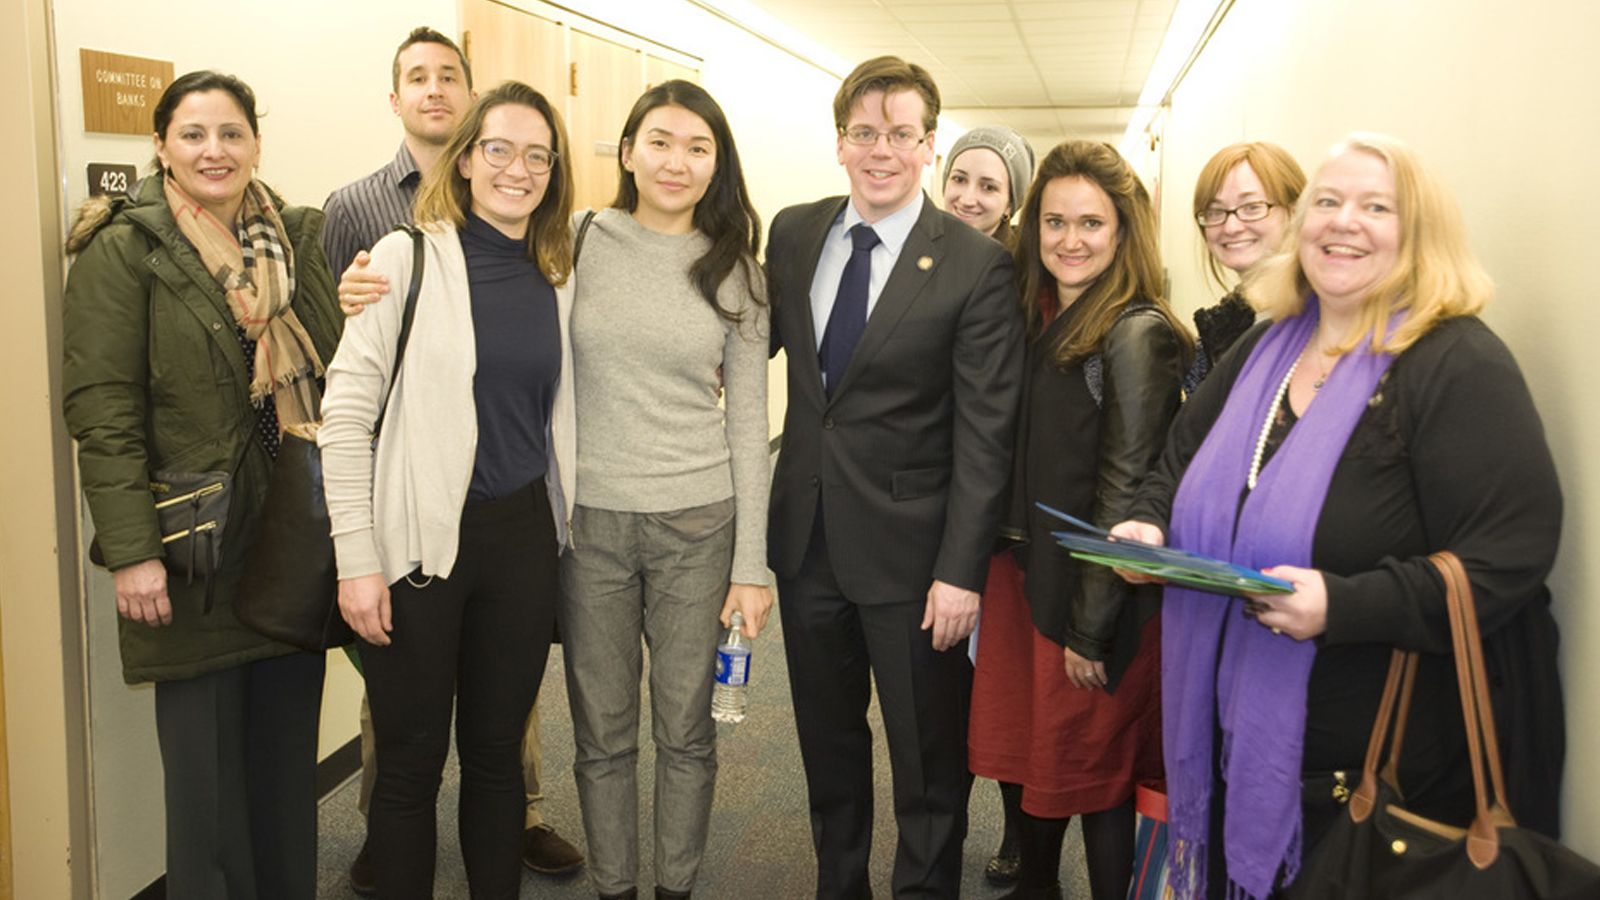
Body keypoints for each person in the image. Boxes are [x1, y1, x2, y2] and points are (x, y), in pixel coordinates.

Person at [1112, 133, 1565, 900]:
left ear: (1419, 233)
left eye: (1375, 207)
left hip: (1382, 771)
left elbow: (1510, 556)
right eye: (1328, 201)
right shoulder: (1267, 347)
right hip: (1239, 736)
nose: (1342, 222)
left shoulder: (1454, 363)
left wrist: (1342, 605)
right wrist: (1148, 526)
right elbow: (1177, 463)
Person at [62, 70, 341, 899]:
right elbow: (103, 411)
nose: (213, 151)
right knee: (207, 792)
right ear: (161, 146)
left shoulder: (297, 235)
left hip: (291, 540)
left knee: (285, 779)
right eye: (192, 134)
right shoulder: (123, 250)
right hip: (193, 551)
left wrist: (357, 303)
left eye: (230, 133)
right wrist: (132, 551)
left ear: (256, 142)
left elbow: (338, 377)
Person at [320, 27, 582, 892]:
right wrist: (357, 563)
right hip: (417, 548)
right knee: (409, 764)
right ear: (466, 159)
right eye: (499, 149)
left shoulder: (560, 270)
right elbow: (345, 420)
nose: (519, 169)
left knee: (499, 761)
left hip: (517, 542)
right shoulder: (404, 258)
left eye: (538, 156)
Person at [765, 55, 1025, 898]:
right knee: (829, 751)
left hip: (914, 565)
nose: (882, 150)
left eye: (901, 134)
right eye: (865, 132)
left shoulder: (973, 265)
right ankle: (839, 885)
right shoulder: (795, 232)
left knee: (926, 764)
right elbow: (729, 326)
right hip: (807, 547)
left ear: (929, 145)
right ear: (841, 141)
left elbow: (986, 436)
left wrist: (960, 572)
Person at [559, 79, 770, 900]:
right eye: (660, 141)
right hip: (591, 524)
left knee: (687, 730)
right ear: (627, 151)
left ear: (717, 165)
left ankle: (674, 889)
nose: (676, 161)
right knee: (601, 730)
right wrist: (376, 277)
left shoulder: (736, 272)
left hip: (698, 524)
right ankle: (616, 887)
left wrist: (750, 566)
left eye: (697, 147)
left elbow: (749, 426)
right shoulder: (574, 240)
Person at [968, 140, 1189, 900]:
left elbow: (1127, 491)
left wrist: (1092, 628)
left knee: (1096, 776)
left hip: (1091, 598)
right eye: (1054, 221)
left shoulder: (1135, 331)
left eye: (1091, 223)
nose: (1070, 239)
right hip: (1029, 580)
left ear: (1124, 231)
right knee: (1038, 764)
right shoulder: (1041, 315)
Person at [939, 122, 1036, 887]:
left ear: (1012, 203)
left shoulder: (1022, 281)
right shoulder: (918, 257)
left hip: (998, 518)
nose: (971, 197)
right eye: (961, 179)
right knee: (939, 691)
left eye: (990, 186)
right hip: (920, 508)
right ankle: (943, 827)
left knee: (999, 687)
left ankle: (1014, 832)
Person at [1187, 142, 1306, 384]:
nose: (1231, 227)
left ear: (1295, 212)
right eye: (1215, 211)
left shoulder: (1319, 320)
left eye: (1252, 208)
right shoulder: (1229, 324)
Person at [942, 124, 1035, 247]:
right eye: (959, 179)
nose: (967, 200)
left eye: (988, 187)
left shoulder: (1021, 264)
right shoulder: (915, 248)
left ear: (1010, 205)